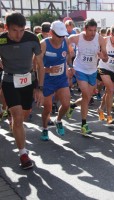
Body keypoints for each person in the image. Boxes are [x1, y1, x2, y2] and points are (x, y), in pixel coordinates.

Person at [0, 12, 44, 169]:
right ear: (6, 28)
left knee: (24, 116)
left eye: (21, 30)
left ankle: (12, 121)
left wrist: (39, 88)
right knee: (18, 118)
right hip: (9, 81)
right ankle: (23, 154)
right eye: (14, 30)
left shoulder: (32, 38)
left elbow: (40, 65)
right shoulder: (1, 40)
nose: (18, 35)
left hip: (28, 81)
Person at [67, 18, 108, 136]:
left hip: (92, 70)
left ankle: (73, 105)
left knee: (87, 97)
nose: (93, 33)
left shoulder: (99, 39)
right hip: (80, 69)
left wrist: (103, 56)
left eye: (95, 30)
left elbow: (106, 58)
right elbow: (67, 42)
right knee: (85, 95)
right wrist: (69, 61)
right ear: (85, 29)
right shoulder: (77, 37)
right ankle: (84, 125)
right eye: (90, 30)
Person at [38, 21, 71, 141]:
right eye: (59, 36)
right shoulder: (43, 44)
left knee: (66, 104)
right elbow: (35, 65)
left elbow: (68, 55)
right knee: (47, 108)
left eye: (63, 35)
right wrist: (48, 70)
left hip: (61, 79)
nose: (62, 38)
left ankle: (58, 120)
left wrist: (68, 67)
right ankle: (45, 128)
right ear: (51, 33)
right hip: (47, 81)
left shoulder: (65, 41)